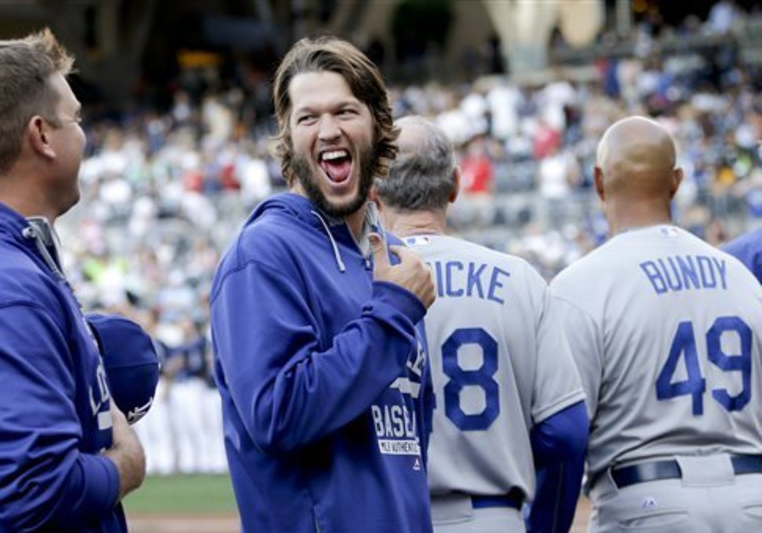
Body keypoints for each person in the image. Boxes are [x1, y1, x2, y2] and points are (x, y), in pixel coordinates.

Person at [209, 36, 436, 532]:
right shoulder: (263, 254)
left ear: (377, 124)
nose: (328, 130)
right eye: (308, 118)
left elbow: (413, 439)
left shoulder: (385, 259)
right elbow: (277, 413)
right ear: (287, 138)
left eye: (345, 112)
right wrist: (392, 314)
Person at [0, 30, 145, 531]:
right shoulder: (2, 286)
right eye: (77, 119)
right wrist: (126, 463)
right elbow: (37, 490)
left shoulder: (0, 262)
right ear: (42, 135)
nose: (84, 135)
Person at [374, 116, 589, 533]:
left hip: (388, 515)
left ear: (374, 192)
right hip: (492, 516)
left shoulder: (354, 283)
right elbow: (565, 432)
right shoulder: (518, 278)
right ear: (456, 184)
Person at [549, 116, 762, 532]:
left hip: (646, 501)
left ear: (598, 181)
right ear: (677, 181)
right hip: (752, 497)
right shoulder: (741, 277)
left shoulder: (580, 285)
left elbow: (565, 432)